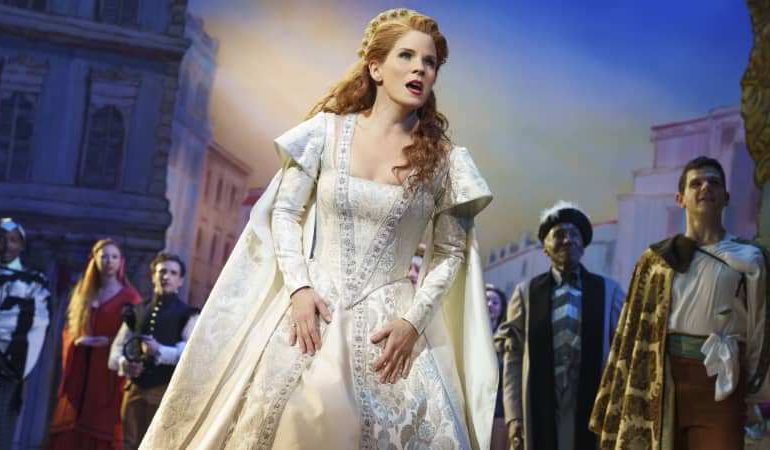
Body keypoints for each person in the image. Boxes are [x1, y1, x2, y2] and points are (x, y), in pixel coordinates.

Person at [140, 8, 497, 450]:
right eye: (406, 56)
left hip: (391, 330)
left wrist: (412, 322)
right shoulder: (324, 134)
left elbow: (448, 254)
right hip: (313, 312)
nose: (420, 69)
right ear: (376, 67)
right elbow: (284, 213)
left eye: (429, 63)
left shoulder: (445, 161)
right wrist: (298, 288)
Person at [590, 156, 770, 450]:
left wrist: (750, 386)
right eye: (695, 183)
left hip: (721, 380)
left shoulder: (750, 258)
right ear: (680, 198)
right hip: (664, 377)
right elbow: (632, 333)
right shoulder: (657, 260)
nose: (704, 188)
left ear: (726, 197)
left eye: (713, 182)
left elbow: (760, 326)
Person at [496, 201, 624, 450]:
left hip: (592, 404)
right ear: (545, 248)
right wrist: (514, 417)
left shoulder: (609, 292)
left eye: (575, 234)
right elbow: (513, 362)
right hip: (542, 404)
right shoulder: (526, 294)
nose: (568, 240)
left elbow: (622, 357)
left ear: (584, 245)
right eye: (559, 235)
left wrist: (619, 409)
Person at [48, 239, 141, 450]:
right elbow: (70, 328)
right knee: (71, 423)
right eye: (104, 256)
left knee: (102, 424)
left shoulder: (130, 297)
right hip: (81, 367)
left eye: (114, 256)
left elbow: (133, 337)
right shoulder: (84, 293)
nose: (109, 261)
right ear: (95, 260)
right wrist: (76, 341)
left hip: (107, 373)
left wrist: (108, 342)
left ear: (121, 262)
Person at [0, 218, 51, 450]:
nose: (7, 246)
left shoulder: (34, 283)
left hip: (0, 375)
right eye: (1, 240)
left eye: (13, 240)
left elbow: (29, 321)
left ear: (22, 245)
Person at [108, 252, 197, 450]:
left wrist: (160, 351)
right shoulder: (136, 311)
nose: (166, 276)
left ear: (180, 280)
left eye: (173, 273)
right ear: (153, 276)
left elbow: (190, 356)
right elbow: (116, 352)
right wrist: (126, 364)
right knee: (129, 443)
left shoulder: (187, 315)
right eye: (162, 271)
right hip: (134, 390)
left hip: (164, 391)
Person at [486, 283, 508, 450]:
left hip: (498, 408)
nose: (489, 305)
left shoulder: (506, 338)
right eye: (486, 300)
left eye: (495, 302)